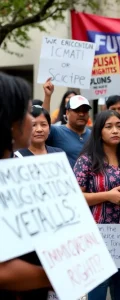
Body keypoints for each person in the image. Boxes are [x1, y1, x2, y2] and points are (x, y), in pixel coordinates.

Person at [73, 110, 120, 300]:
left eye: (119, 126)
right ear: (99, 132)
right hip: (96, 231)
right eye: (109, 126)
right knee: (99, 281)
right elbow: (75, 197)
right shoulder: (86, 161)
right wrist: (107, 196)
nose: (115, 131)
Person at [0, 72, 51, 299]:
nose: (34, 121)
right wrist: (61, 275)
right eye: (28, 113)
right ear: (8, 121)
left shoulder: (14, 167)